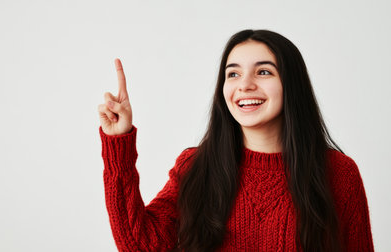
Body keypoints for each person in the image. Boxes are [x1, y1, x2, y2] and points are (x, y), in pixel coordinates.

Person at [98, 29, 374, 251]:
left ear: (292, 85)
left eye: (263, 71)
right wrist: (118, 141)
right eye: (233, 74)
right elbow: (140, 245)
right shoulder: (196, 166)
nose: (245, 85)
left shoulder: (339, 172)